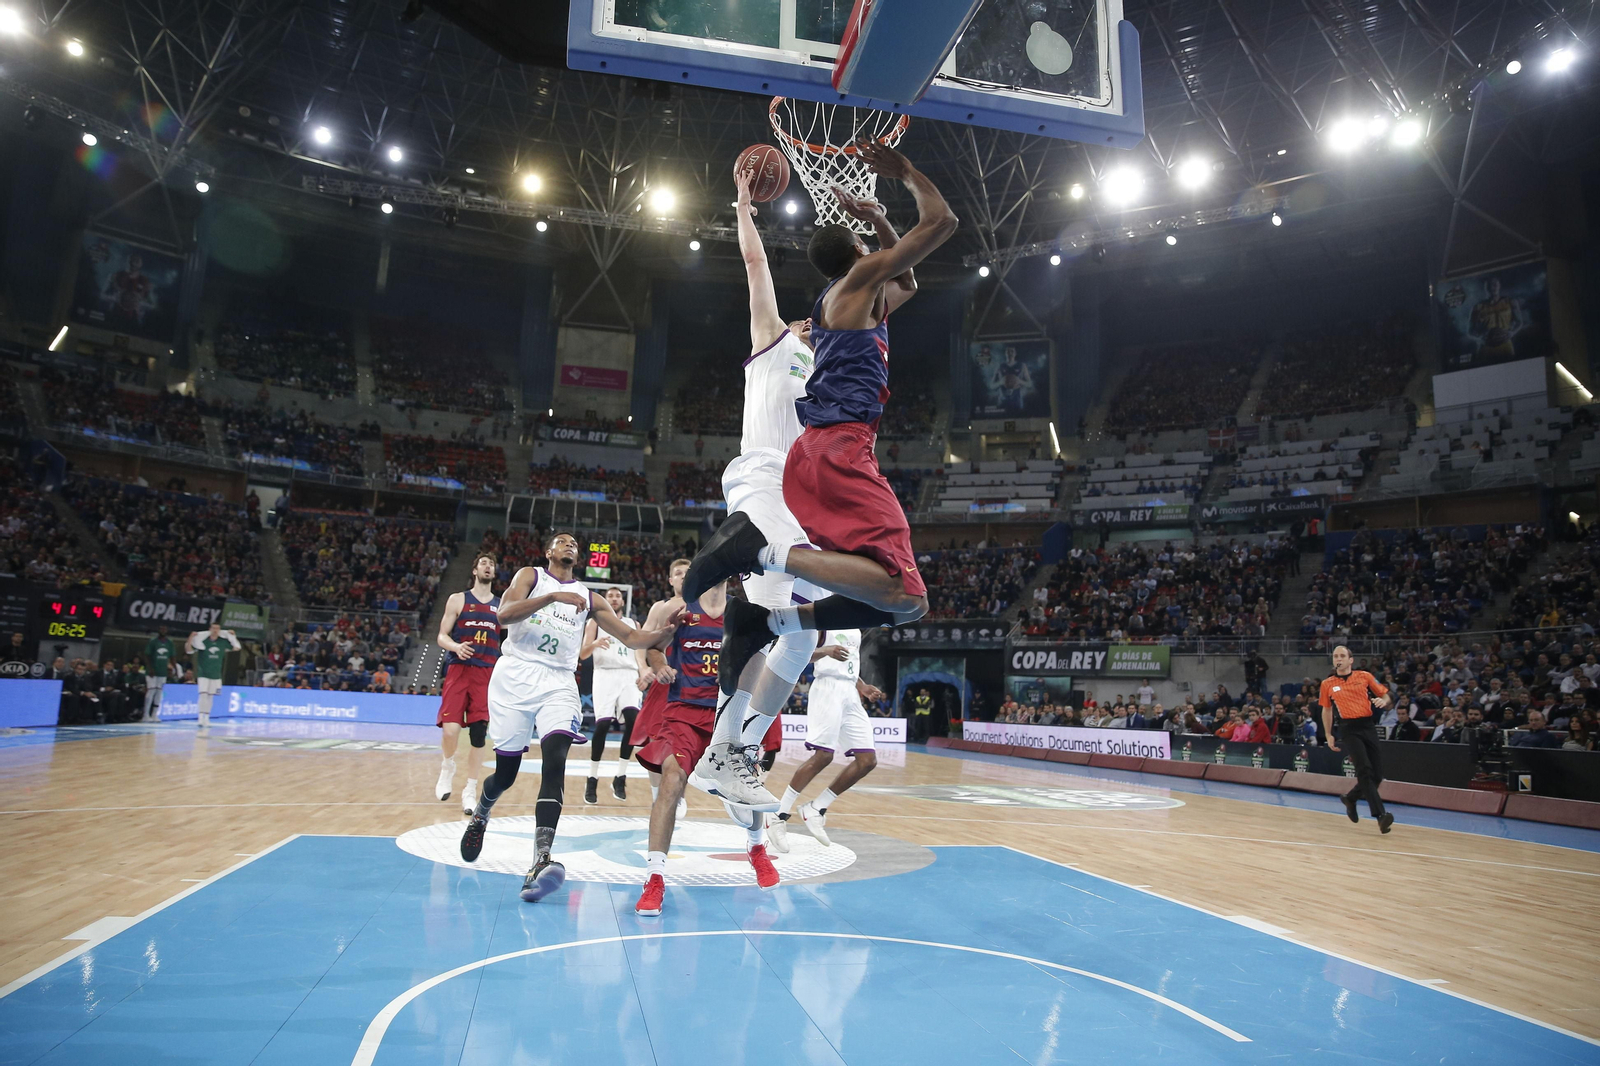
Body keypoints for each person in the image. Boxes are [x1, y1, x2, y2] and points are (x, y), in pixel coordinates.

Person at [680, 142, 958, 733]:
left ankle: (763, 634)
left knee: (895, 602)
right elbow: (941, 224)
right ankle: (752, 555)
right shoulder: (817, 312)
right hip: (818, 455)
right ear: (858, 257)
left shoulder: (857, 301)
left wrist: (877, 220)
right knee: (902, 589)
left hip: (814, 461)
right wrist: (906, 171)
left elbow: (906, 280)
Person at [674, 161, 841, 811]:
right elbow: (755, 271)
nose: (815, 327)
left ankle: (731, 754)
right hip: (760, 478)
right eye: (812, 323)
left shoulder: (829, 378)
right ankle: (730, 571)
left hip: (796, 502)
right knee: (767, 610)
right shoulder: (773, 341)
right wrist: (744, 207)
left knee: (800, 636)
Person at [458, 532, 675, 904]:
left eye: (574, 542)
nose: (570, 544)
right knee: (506, 774)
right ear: (548, 552)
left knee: (555, 759)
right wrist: (552, 596)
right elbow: (503, 615)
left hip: (559, 681)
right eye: (562, 541)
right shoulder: (531, 576)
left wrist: (668, 631)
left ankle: (540, 860)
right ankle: (482, 812)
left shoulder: (591, 598)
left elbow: (632, 637)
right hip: (515, 675)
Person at [634, 580, 779, 917]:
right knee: (671, 779)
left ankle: (757, 849)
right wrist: (659, 665)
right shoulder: (680, 610)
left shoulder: (741, 612)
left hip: (726, 713)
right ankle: (654, 878)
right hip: (683, 710)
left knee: (748, 784)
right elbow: (655, 647)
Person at [768, 629, 886, 852]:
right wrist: (826, 651)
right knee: (824, 756)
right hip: (827, 689)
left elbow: (848, 665)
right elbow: (803, 654)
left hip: (850, 692)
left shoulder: (856, 629)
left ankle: (816, 808)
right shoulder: (824, 622)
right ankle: (777, 815)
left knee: (867, 760)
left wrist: (863, 687)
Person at [433, 552, 500, 815]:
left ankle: (470, 790)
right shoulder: (458, 599)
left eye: (491, 564)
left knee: (478, 736)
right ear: (474, 570)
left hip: (486, 675)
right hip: (459, 671)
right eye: (483, 563)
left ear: (494, 573)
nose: (487, 566)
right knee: (450, 731)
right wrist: (455, 646)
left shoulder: (501, 604)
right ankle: (447, 766)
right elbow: (441, 635)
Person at [628, 558, 693, 821]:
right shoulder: (661, 607)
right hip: (664, 681)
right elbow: (642, 641)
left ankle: (680, 795)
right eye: (678, 573)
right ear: (670, 580)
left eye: (688, 573)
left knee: (688, 743)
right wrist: (643, 668)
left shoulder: (708, 606)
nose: (683, 577)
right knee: (655, 740)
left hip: (694, 684)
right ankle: (658, 795)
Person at [579, 587, 644, 804]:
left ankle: (620, 776)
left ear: (622, 601)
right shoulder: (595, 622)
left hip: (628, 675)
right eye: (610, 596)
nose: (614, 599)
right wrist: (595, 643)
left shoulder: (633, 624)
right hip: (604, 674)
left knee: (634, 722)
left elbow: (639, 653)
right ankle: (592, 777)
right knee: (602, 726)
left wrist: (643, 672)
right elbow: (583, 653)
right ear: (605, 601)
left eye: (617, 596)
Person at [1319, 644, 1394, 833]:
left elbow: (1386, 697)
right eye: (1335, 656)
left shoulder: (1364, 676)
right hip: (1348, 728)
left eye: (1342, 655)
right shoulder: (1327, 684)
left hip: (1367, 726)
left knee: (1377, 775)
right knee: (1364, 770)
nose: (1338, 659)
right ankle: (1380, 815)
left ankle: (1351, 798)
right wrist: (1328, 734)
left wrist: (1382, 701)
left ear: (1350, 660)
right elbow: (1326, 710)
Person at [188, 623, 242, 729]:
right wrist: (191, 638)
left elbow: (236, 648)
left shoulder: (222, 642)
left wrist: (232, 636)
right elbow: (190, 650)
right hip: (203, 673)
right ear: (209, 629)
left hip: (216, 674)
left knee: (210, 696)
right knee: (203, 694)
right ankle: (200, 717)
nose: (215, 630)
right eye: (213, 628)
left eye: (218, 628)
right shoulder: (203, 641)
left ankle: (207, 718)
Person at [142, 625, 176, 721]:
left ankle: (154, 714)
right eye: (161, 629)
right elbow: (147, 655)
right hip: (152, 672)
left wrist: (175, 669)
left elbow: (172, 657)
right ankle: (145, 715)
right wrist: (150, 668)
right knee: (151, 691)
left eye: (165, 629)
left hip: (162, 672)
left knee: (159, 692)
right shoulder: (153, 642)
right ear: (158, 630)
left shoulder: (170, 643)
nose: (163, 630)